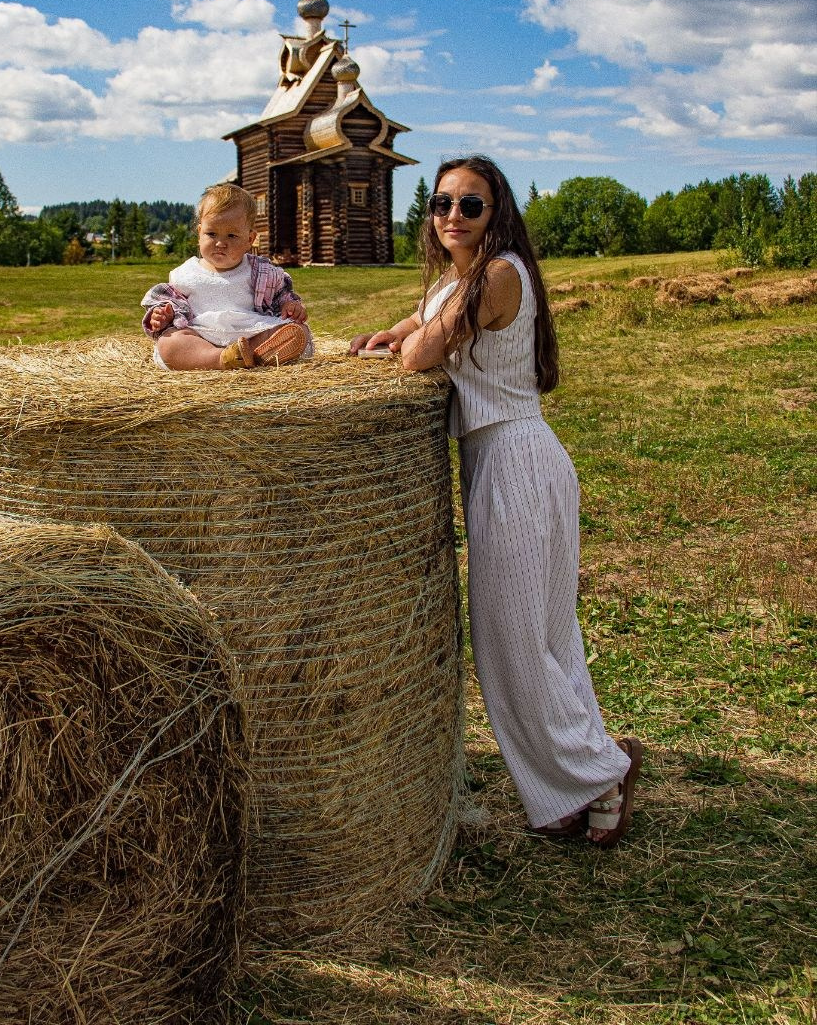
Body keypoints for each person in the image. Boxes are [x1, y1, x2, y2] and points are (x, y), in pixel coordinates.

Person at [350, 155, 642, 845]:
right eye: (442, 203)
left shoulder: (498, 275)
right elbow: (417, 325)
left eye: (469, 205)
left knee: (509, 647)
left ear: (496, 211)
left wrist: (407, 341)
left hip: (514, 463)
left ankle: (600, 773)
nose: (452, 215)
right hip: (509, 462)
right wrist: (397, 329)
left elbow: (423, 353)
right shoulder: (465, 277)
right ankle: (583, 773)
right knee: (542, 636)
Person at [141, 183, 311, 370]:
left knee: (297, 331)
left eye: (231, 236)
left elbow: (281, 295)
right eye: (211, 234)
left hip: (251, 333)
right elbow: (171, 304)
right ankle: (221, 359)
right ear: (199, 234)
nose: (220, 243)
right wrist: (164, 315)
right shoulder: (186, 273)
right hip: (202, 336)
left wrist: (290, 306)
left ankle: (252, 354)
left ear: (249, 239)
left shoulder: (260, 271)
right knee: (169, 343)